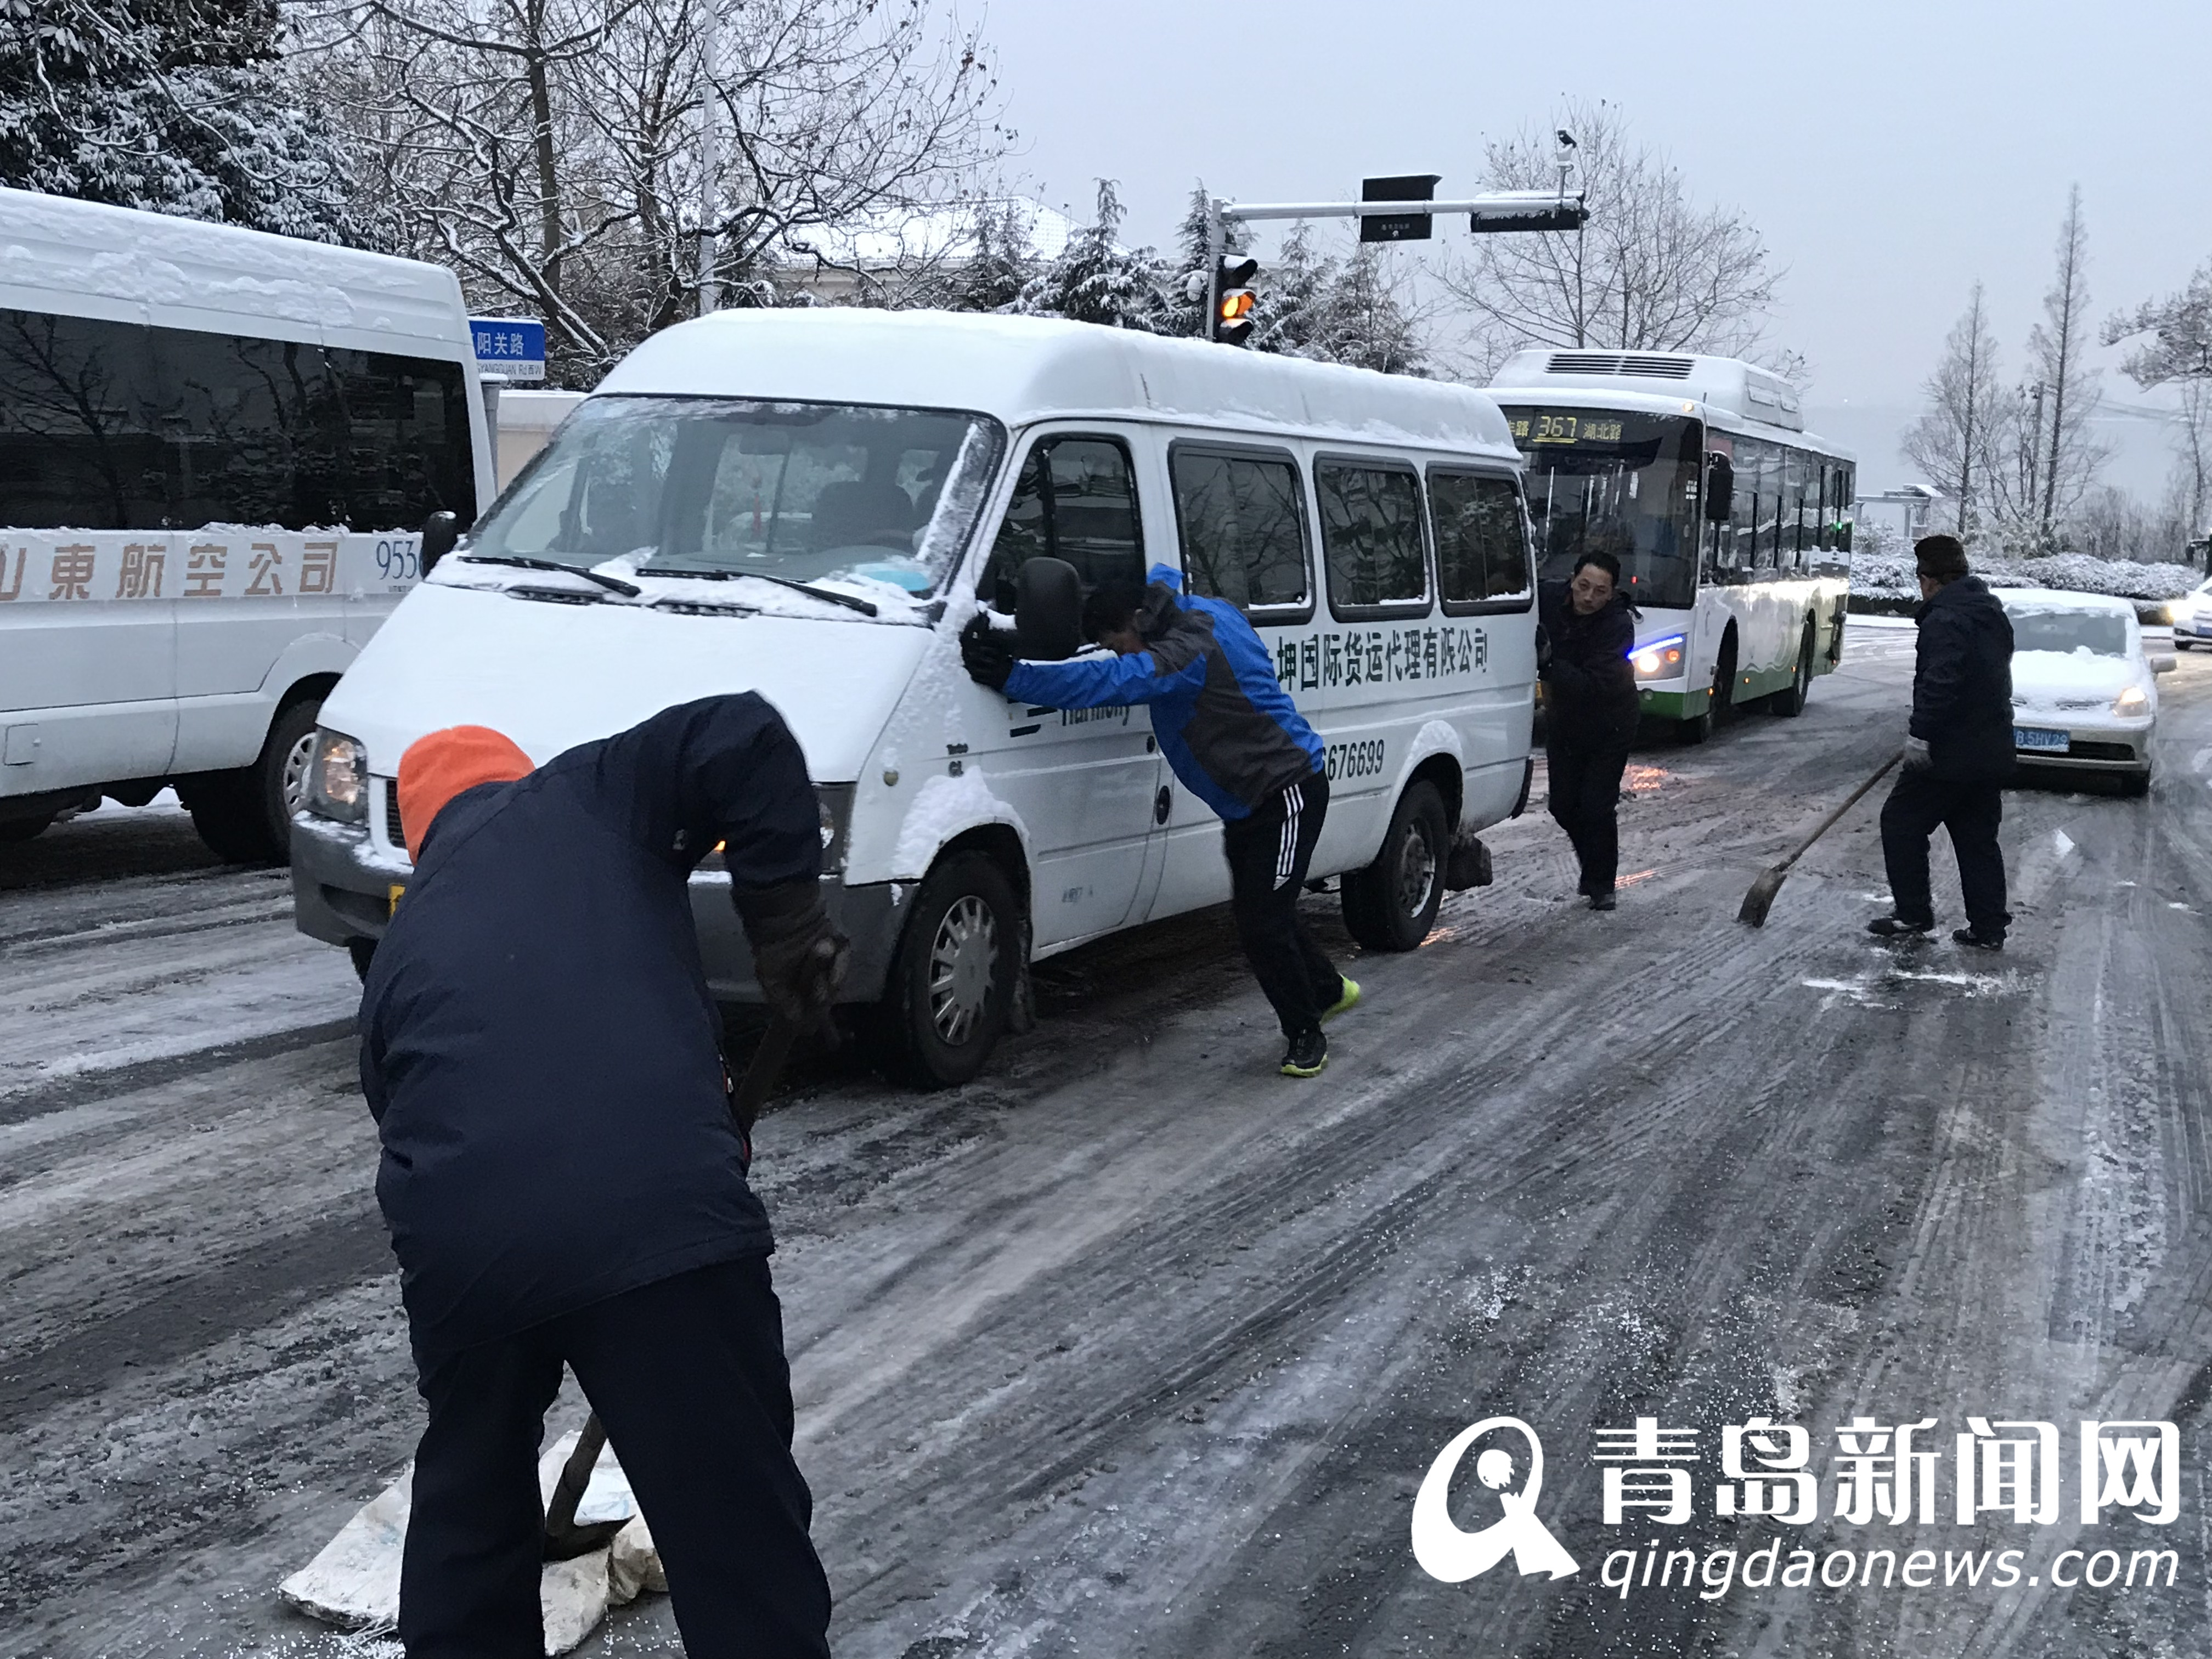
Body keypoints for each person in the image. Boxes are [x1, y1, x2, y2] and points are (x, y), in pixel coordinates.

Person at [358, 697, 847, 1658]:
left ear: (421, 840)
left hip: (468, 1253)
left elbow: (406, 1116)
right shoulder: (589, 794)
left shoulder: (402, 948)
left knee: (470, 1500)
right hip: (655, 1215)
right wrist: (785, 922)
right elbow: (743, 735)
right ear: (516, 775)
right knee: (731, 1520)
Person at [959, 564, 1356, 1078]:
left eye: (1118, 645)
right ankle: (1329, 989)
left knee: (1263, 924)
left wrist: (1013, 677)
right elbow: (1115, 641)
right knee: (1264, 909)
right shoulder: (1196, 609)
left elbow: (1111, 682)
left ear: (1137, 621)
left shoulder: (1186, 654)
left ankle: (1305, 1032)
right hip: (1248, 804)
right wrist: (1019, 630)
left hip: (1287, 792)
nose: (1121, 655)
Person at [1868, 534, 2015, 949]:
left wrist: (1921, 734)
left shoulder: (1946, 619)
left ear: (1930, 579)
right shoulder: (1990, 612)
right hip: (1989, 749)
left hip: (1948, 754)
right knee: (1976, 838)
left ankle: (1913, 914)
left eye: (1921, 578)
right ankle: (1988, 928)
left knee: (1900, 822)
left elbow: (1941, 683)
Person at [1538, 551, 1640, 910]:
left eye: (1600, 592)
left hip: (1610, 723)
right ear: (1572, 579)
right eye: (1583, 586)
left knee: (1596, 807)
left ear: (1612, 594)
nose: (1589, 598)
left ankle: (1602, 884)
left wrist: (1550, 665)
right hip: (1565, 722)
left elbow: (1593, 685)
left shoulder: (1617, 627)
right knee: (1563, 806)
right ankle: (1594, 867)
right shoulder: (1550, 599)